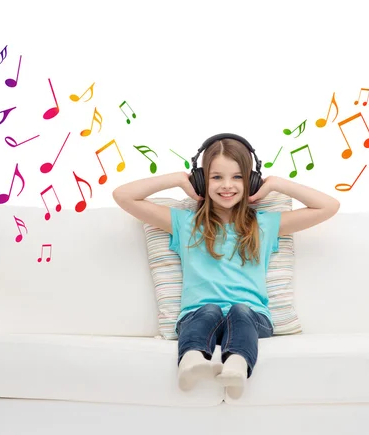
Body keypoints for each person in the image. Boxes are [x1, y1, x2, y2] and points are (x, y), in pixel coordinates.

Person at [112, 134, 340, 399]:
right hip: (197, 315)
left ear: (251, 180)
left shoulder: (264, 225)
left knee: (239, 311)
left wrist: (275, 183)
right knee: (207, 311)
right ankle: (192, 360)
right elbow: (123, 196)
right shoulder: (185, 223)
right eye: (216, 177)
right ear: (201, 180)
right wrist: (177, 179)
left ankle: (237, 365)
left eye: (238, 177)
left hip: (253, 318)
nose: (227, 186)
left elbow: (329, 206)